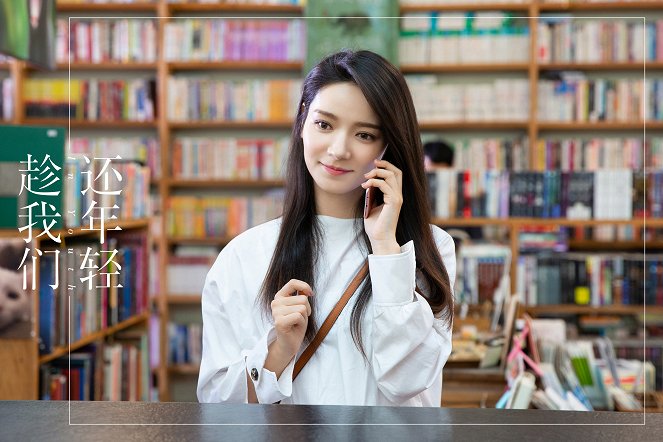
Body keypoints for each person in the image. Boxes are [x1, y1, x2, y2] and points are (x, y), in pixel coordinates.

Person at [197, 50, 456, 406]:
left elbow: (406, 382)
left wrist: (385, 248)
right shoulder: (245, 255)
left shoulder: (429, 249)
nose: (338, 150)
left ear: (389, 147)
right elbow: (216, 405)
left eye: (364, 135)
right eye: (324, 124)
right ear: (302, 120)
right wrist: (279, 350)